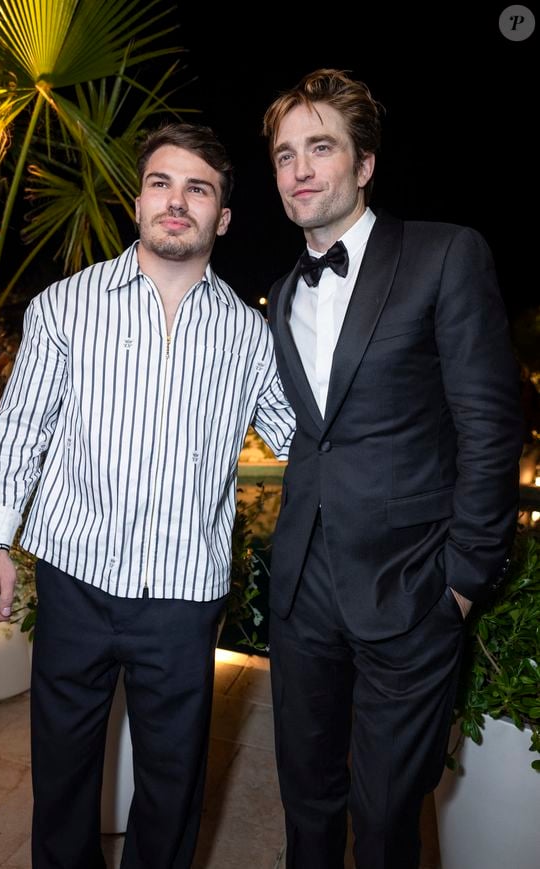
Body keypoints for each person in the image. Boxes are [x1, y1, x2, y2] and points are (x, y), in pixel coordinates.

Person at [0, 122, 295, 869]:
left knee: (174, 783)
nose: (177, 201)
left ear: (223, 217)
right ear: (138, 200)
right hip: (75, 576)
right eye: (162, 182)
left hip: (184, 594)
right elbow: (21, 431)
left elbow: (301, 442)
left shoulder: (250, 335)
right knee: (62, 772)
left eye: (198, 188)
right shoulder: (65, 306)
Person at [261, 69, 523, 869]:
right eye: (283, 156)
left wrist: (464, 578)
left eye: (321, 147)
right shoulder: (279, 295)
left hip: (413, 591)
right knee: (305, 807)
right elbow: (316, 436)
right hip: (303, 592)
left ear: (365, 163)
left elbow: (490, 424)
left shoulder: (445, 254)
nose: (299, 169)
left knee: (383, 824)